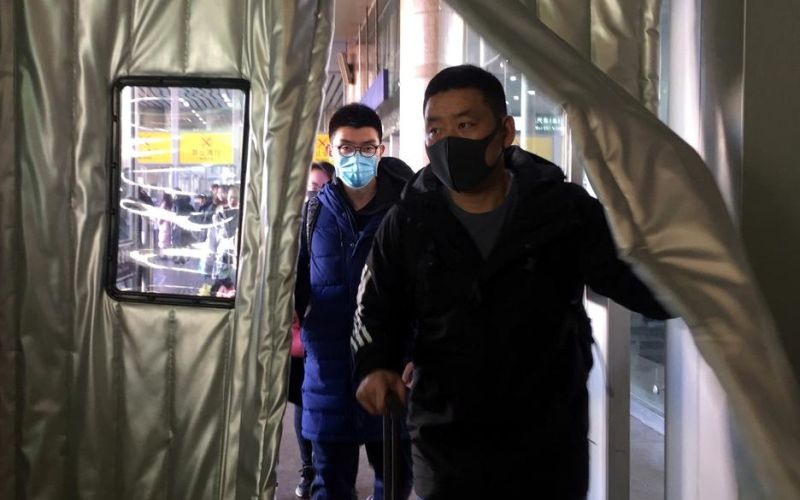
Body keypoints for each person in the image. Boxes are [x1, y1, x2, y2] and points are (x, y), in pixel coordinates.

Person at [352, 65, 673, 499]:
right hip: (446, 440)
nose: (447, 142)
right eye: (435, 130)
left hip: (548, 441)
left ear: (505, 132)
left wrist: (693, 290)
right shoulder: (409, 220)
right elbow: (375, 306)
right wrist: (375, 365)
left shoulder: (562, 211)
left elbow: (627, 275)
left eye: (465, 125)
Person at [294, 103, 415, 500]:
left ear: (381, 151)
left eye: (367, 148)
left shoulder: (407, 213)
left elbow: (425, 291)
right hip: (327, 375)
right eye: (346, 148)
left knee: (394, 484)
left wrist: (417, 352)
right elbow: (297, 285)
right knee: (328, 486)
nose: (356, 157)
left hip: (389, 372)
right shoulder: (314, 213)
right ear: (331, 150)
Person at [289, 161, 333, 499]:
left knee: (330, 404)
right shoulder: (294, 225)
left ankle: (328, 471)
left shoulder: (339, 222)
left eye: (321, 188)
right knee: (304, 401)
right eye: (310, 189)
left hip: (332, 326)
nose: (313, 196)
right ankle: (309, 469)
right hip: (301, 328)